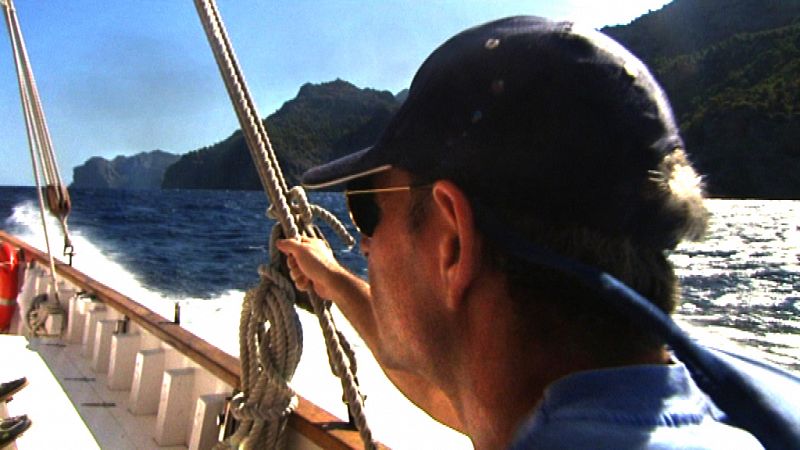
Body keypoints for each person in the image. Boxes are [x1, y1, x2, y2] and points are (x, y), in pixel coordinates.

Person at [276, 16, 764, 449]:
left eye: (369, 213)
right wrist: (333, 279)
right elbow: (454, 396)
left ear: (453, 241)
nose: (365, 243)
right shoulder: (719, 406)